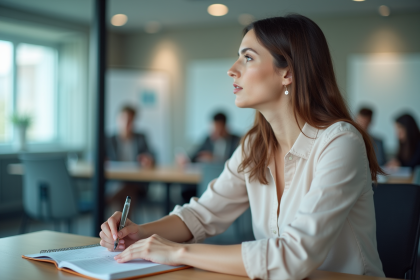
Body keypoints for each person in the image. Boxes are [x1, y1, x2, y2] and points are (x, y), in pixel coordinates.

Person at [99, 15, 385, 279]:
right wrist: (139, 232)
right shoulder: (254, 145)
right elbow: (201, 215)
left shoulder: (340, 142)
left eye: (247, 58)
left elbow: (295, 256)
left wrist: (176, 251)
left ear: (287, 73)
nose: (231, 70)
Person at [178, 112, 241, 202]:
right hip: (206, 179)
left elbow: (237, 161)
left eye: (219, 127)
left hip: (226, 179)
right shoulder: (208, 139)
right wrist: (186, 159)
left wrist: (215, 158)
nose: (217, 130)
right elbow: (195, 155)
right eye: (215, 127)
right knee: (186, 188)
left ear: (225, 126)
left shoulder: (236, 140)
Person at [105, 105, 155, 213]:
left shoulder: (141, 138)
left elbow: (151, 155)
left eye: (130, 120)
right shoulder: (109, 139)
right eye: (123, 119)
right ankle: (123, 225)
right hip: (115, 182)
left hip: (137, 182)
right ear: (117, 119)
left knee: (129, 186)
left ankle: (107, 201)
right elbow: (93, 156)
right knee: (126, 190)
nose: (126, 123)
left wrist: (148, 159)